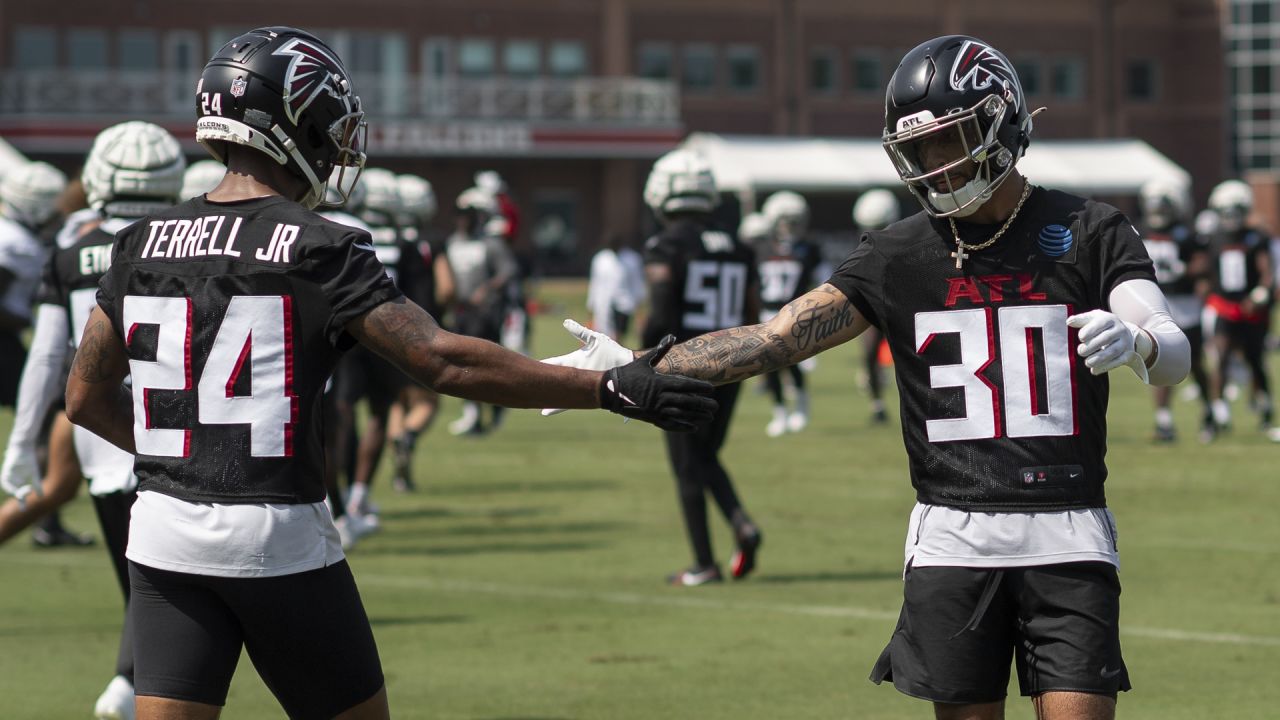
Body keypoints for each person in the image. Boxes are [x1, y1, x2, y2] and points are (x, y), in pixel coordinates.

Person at [62, 26, 715, 720]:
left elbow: (84, 396)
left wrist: (183, 451)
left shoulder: (135, 245)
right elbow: (440, 359)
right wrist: (604, 386)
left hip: (162, 533)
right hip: (275, 539)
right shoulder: (317, 246)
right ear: (291, 121)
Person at [548, 35, 1190, 719]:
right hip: (952, 533)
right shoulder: (897, 252)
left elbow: (1173, 349)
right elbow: (775, 339)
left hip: (1068, 527)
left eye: (953, 140)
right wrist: (641, 366)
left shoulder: (1088, 228)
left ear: (1002, 121)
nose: (938, 166)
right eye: (921, 151)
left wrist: (1139, 342)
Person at [3, 120, 186, 720]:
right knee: (169, 599)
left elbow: (46, 356)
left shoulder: (70, 251)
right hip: (180, 440)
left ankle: (127, 685)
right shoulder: (191, 243)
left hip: (102, 444)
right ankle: (126, 689)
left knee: (149, 593)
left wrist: (21, 444)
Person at [639, 148, 763, 585]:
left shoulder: (665, 244)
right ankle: (741, 523)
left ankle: (704, 563)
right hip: (733, 363)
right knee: (706, 454)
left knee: (687, 463)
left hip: (683, 365)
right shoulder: (738, 246)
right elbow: (753, 311)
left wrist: (645, 358)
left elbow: (659, 313)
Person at [387, 173, 454, 491]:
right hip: (423, 329)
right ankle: (409, 438)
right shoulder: (432, 240)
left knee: (396, 402)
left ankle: (401, 463)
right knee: (427, 402)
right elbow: (446, 288)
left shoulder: (389, 238)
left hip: (386, 330)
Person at [1136, 179, 1212, 442]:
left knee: (1196, 364)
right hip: (1156, 302)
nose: (1159, 212)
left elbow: (1203, 263)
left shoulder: (1185, 233)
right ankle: (1164, 421)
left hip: (1185, 304)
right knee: (1159, 362)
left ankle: (1210, 409)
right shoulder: (1139, 231)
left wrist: (1186, 270)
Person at [1201, 179, 1275, 439]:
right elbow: (1205, 272)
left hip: (1250, 308)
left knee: (1255, 361)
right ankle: (1217, 414)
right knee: (1219, 358)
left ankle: (1266, 414)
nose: (1231, 217)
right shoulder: (1214, 238)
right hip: (1223, 306)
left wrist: (1260, 294)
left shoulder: (1256, 237)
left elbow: (1266, 272)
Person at [445, 186, 519, 435]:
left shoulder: (490, 244)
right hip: (461, 312)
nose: (463, 220)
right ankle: (471, 412)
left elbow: (507, 271)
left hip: (485, 314)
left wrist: (486, 289)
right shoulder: (452, 243)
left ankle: (496, 407)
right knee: (461, 365)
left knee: (488, 364)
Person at [757, 190, 823, 436]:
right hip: (767, 313)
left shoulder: (808, 249)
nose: (788, 226)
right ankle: (780, 412)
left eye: (793, 221)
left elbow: (822, 282)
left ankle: (801, 407)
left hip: (795, 314)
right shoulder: (761, 248)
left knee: (790, 361)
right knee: (769, 366)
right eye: (785, 221)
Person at [851, 189, 902, 425]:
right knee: (869, 354)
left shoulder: (906, 239)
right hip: (876, 307)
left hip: (904, 307)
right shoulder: (865, 246)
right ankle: (877, 405)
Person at [586, 233, 646, 342]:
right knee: (603, 336)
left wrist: (639, 312)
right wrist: (591, 307)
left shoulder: (632, 259)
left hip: (624, 304)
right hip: (603, 303)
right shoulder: (600, 259)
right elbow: (595, 284)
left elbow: (637, 285)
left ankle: (617, 357)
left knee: (617, 337)